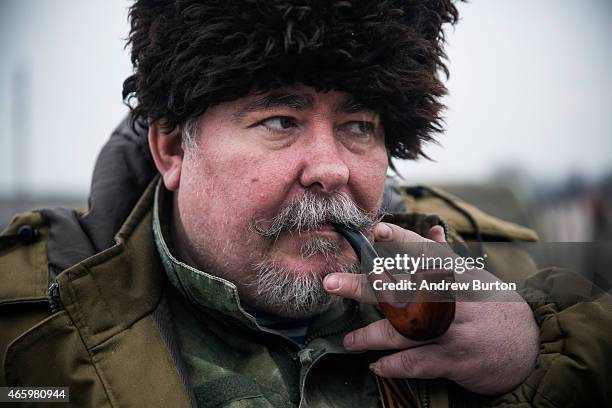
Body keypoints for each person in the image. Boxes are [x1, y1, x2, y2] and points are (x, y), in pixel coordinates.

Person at [1, 1, 610, 407]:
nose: (331, 168)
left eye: (359, 126)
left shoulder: (487, 272)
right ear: (170, 148)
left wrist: (532, 354)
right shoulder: (26, 323)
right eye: (280, 119)